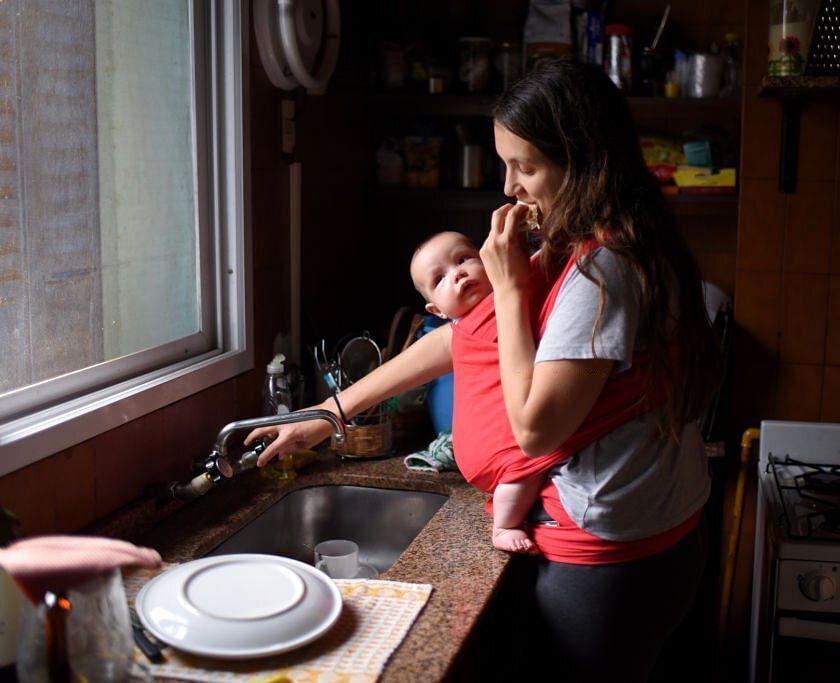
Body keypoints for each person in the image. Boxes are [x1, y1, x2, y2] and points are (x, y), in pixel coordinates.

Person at [247, 59, 721, 679]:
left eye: (525, 166)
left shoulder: (599, 272)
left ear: (580, 159)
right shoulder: (618, 236)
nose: (510, 187)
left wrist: (511, 286)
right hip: (657, 536)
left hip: (610, 560)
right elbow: (464, 339)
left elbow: (534, 430)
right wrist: (330, 413)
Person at [408, 229, 546, 554]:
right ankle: (504, 524)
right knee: (527, 466)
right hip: (492, 445)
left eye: (463, 259)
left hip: (469, 441)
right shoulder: (494, 310)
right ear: (437, 311)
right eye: (439, 279)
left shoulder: (462, 326)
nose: (457, 274)